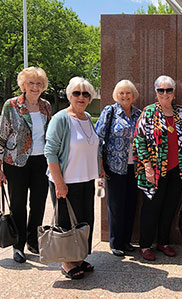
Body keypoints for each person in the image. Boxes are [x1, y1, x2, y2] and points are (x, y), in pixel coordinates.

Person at [44, 77, 104, 279]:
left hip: (86, 179)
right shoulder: (61, 119)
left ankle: (78, 257)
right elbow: (50, 152)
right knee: (66, 222)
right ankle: (67, 262)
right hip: (66, 180)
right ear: (69, 95)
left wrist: (99, 169)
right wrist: (59, 183)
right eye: (77, 93)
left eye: (86, 94)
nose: (81, 97)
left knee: (85, 220)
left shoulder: (87, 117)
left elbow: (94, 146)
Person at [134, 75, 182, 261]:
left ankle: (163, 242)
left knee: (170, 207)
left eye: (168, 90)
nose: (165, 93)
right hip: (155, 170)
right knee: (151, 207)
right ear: (156, 92)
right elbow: (139, 140)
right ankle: (145, 245)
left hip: (178, 169)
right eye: (161, 90)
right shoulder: (149, 112)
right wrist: (147, 165)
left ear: (174, 93)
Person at [0, 67, 51, 263]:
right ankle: (18, 245)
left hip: (42, 162)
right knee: (18, 205)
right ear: (23, 85)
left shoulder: (46, 106)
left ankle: (33, 241)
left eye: (39, 83)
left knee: (38, 204)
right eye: (31, 83)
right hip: (16, 162)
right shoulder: (11, 105)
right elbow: (2, 136)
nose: (35, 87)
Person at [95, 80, 142, 257]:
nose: (125, 96)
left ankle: (126, 241)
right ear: (116, 95)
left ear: (133, 95)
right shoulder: (110, 111)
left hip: (134, 167)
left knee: (131, 204)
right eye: (121, 93)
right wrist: (100, 165)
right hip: (114, 167)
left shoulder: (138, 113)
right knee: (116, 205)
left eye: (128, 93)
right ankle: (115, 242)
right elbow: (98, 138)